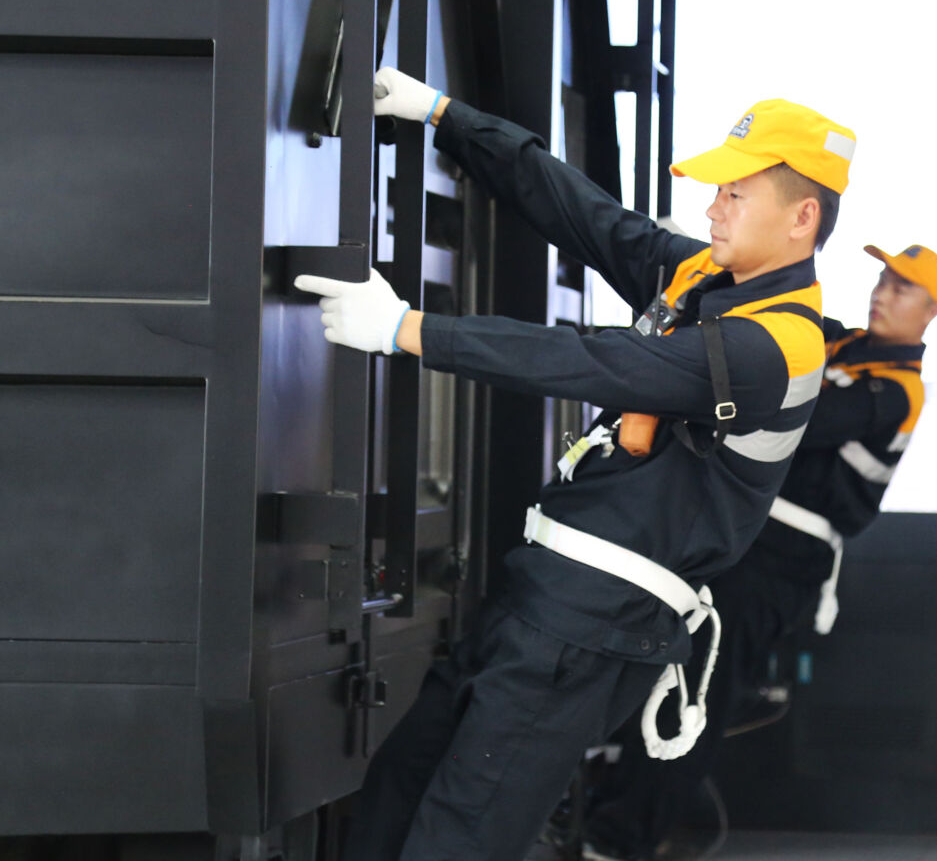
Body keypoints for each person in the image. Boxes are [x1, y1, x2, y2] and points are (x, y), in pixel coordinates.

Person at [294, 68, 857, 861]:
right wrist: (448, 116)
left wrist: (407, 330)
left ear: (803, 217)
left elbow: (598, 363)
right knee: (401, 790)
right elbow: (586, 218)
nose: (712, 206)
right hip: (540, 599)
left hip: (591, 629)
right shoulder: (706, 280)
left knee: (461, 832)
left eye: (735, 193)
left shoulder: (776, 346)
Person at [581, 244, 937, 861]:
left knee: (696, 691)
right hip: (736, 530)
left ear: (932, 313)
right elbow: (781, 328)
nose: (883, 292)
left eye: (904, 288)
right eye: (885, 278)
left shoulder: (896, 391)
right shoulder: (843, 345)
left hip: (783, 556)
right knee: (653, 666)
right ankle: (600, 814)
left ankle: (621, 842)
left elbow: (800, 413)